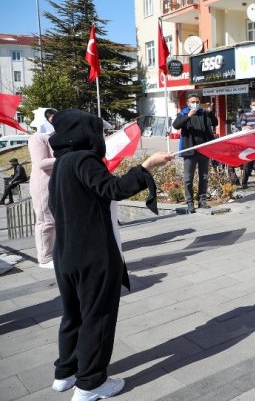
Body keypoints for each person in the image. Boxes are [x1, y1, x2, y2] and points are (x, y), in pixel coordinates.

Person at [47, 109, 172, 399]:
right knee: (97, 317)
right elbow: (112, 188)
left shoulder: (62, 163)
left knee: (73, 315)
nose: (101, 136)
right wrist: (147, 166)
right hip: (92, 254)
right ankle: (91, 384)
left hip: (66, 253)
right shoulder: (84, 160)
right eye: (98, 131)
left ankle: (65, 372)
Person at [172, 95, 218, 213]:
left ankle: (202, 199)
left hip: (204, 150)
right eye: (193, 102)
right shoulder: (184, 113)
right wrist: (188, 116)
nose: (195, 104)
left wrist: (210, 112)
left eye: (197, 102)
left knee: (204, 177)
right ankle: (190, 202)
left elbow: (215, 123)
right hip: (189, 150)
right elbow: (176, 125)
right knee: (188, 178)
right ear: (188, 103)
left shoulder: (203, 113)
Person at [28, 108, 58, 268]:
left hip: (53, 181)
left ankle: (53, 253)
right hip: (42, 183)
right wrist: (63, 157)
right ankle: (45, 258)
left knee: (53, 219)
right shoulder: (37, 138)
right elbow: (41, 163)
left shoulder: (52, 136)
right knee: (45, 220)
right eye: (50, 117)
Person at [238, 99, 255, 187]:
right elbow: (242, 125)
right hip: (249, 141)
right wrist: (246, 127)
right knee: (247, 162)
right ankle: (244, 182)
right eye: (253, 105)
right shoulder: (246, 115)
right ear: (250, 106)